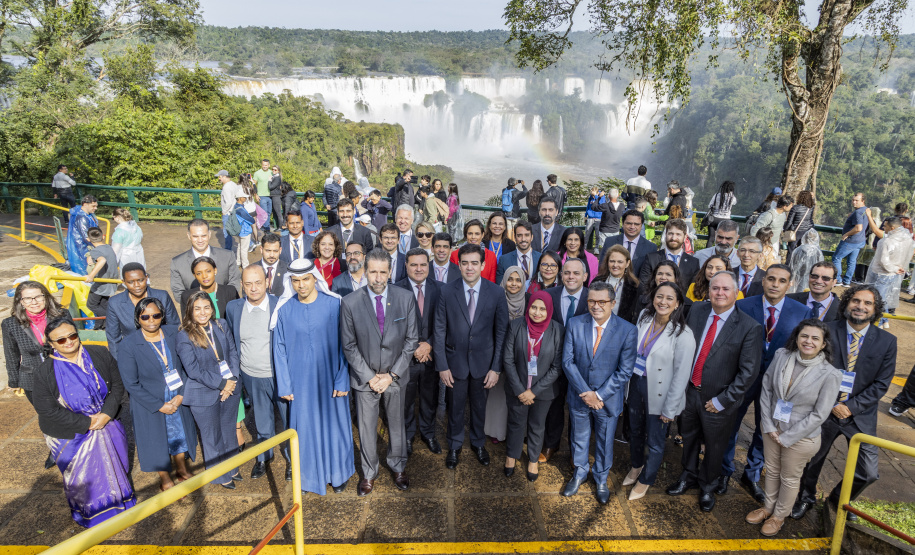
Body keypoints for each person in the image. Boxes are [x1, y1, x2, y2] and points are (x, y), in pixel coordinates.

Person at [792, 285, 896, 521]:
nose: (861, 306)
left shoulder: (887, 341)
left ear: (875, 308)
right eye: (856, 301)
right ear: (847, 303)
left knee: (868, 472)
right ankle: (805, 498)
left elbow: (881, 384)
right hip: (823, 409)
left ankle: (838, 500)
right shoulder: (827, 330)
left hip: (859, 415)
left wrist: (850, 407)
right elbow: (812, 368)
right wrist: (830, 404)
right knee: (811, 462)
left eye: (868, 303)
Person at [666, 272, 763, 513]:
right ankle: (688, 475)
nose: (719, 293)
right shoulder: (697, 311)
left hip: (718, 401)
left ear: (736, 293)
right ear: (709, 291)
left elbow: (748, 372)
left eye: (725, 289)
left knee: (714, 446)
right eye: (715, 288)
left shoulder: (749, 327)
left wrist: (723, 401)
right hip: (690, 392)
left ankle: (707, 486)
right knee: (687, 438)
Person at [34, 318, 136, 527]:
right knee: (85, 482)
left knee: (115, 469)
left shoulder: (99, 353)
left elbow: (117, 386)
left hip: (107, 423)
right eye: (61, 340)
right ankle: (94, 515)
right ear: (51, 344)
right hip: (72, 435)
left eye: (72, 336)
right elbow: (46, 410)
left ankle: (121, 504)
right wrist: (87, 422)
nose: (68, 342)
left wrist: (106, 414)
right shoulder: (44, 372)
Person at [723, 265, 810, 501]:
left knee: (766, 430)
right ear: (763, 281)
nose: (775, 284)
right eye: (770, 279)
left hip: (778, 384)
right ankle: (724, 470)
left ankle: (751, 474)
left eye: (781, 280)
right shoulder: (743, 305)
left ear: (789, 284)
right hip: (743, 378)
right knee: (731, 424)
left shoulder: (801, 312)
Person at [747, 319, 842, 536]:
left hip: (801, 437)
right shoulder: (782, 355)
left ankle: (779, 516)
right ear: (797, 338)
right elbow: (767, 389)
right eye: (804, 336)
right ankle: (768, 508)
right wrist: (769, 424)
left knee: (789, 477)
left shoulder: (831, 374)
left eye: (815, 338)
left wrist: (788, 436)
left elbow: (820, 413)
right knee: (771, 470)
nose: (808, 341)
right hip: (772, 427)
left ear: (823, 344)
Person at [273, 258, 355, 494]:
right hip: (300, 382)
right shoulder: (284, 310)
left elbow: (345, 344)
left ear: (315, 278)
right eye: (295, 281)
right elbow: (278, 348)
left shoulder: (334, 304)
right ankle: (311, 478)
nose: (301, 285)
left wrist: (342, 377)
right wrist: (285, 385)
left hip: (331, 378)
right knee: (305, 429)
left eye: (306, 279)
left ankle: (338, 474)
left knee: (335, 427)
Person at [341, 250, 418, 495]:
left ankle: (398, 466)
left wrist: (391, 375)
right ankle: (369, 473)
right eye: (372, 271)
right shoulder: (350, 302)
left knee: (397, 424)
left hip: (395, 377)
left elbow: (411, 340)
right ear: (365, 271)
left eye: (382, 272)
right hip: (366, 379)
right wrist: (370, 377)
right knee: (366, 427)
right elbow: (349, 345)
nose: (377, 277)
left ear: (390, 272)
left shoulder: (405, 298)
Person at [434, 243, 509, 469]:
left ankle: (478, 443)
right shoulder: (446, 291)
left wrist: (496, 368)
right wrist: (442, 366)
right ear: (459, 264)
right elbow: (439, 330)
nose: (469, 268)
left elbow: (501, 331)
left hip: (483, 365)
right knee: (455, 409)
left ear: (483, 265)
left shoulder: (496, 292)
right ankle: (455, 445)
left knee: (479, 408)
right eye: (464, 263)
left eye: (474, 263)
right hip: (454, 363)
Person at [560, 281, 636, 504]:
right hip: (580, 396)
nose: (596, 306)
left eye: (602, 301)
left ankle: (601, 478)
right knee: (579, 438)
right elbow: (568, 361)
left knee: (604, 442)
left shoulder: (627, 330)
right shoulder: (575, 323)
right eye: (592, 300)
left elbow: (625, 371)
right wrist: (586, 393)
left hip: (607, 401)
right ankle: (580, 473)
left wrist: (599, 395)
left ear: (613, 303)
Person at [624, 282, 695, 500]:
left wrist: (670, 408)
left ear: (677, 304)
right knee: (634, 431)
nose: (663, 302)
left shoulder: (683, 334)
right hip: (636, 383)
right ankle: (636, 466)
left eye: (669, 298)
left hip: (661, 393)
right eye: (659, 296)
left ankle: (646, 479)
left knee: (654, 440)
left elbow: (682, 376)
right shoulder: (645, 318)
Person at [117, 298, 197, 491]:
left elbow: (187, 366)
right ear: (138, 318)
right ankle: (164, 476)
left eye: (156, 315)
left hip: (177, 395)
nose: (151, 320)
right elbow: (131, 384)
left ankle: (181, 468)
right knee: (157, 440)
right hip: (150, 401)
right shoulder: (128, 344)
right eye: (145, 316)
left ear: (162, 316)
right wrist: (159, 405)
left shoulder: (174, 333)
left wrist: (181, 395)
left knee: (179, 434)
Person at [225, 265, 290, 481]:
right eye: (248, 284)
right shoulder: (234, 308)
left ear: (267, 283)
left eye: (258, 282)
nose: (253, 288)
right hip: (252, 375)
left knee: (289, 418)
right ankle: (264, 457)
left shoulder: (280, 305)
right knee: (262, 421)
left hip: (280, 376)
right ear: (242, 285)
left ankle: (292, 458)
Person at [175, 291, 242, 489]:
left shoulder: (221, 324)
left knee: (228, 431)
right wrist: (222, 384)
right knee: (212, 436)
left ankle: (232, 467)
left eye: (206, 307)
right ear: (190, 311)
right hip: (203, 393)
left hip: (231, 387)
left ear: (212, 309)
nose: (203, 312)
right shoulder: (184, 335)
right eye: (197, 308)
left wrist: (232, 379)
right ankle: (219, 475)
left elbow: (232, 353)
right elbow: (194, 370)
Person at [503, 291, 563, 481]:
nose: (537, 312)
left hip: (543, 392)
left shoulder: (558, 330)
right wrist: (521, 390)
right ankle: (511, 456)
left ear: (549, 310)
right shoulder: (516, 325)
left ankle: (533, 460)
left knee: (537, 426)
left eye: (542, 309)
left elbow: (556, 367)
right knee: (515, 423)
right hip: (517, 388)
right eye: (534, 307)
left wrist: (534, 392)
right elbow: (508, 359)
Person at [540, 258, 590, 462]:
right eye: (567, 272)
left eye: (576, 273)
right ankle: (551, 444)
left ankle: (575, 452)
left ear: (585, 277)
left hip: (582, 364)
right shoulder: (549, 295)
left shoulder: (591, 299)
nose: (571, 277)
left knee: (579, 410)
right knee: (554, 405)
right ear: (561, 275)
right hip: (553, 362)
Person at [396, 248, 443, 455]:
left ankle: (428, 433)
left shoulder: (441, 289)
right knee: (406, 400)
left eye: (423, 264)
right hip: (406, 358)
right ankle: (407, 436)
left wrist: (429, 344)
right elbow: (394, 327)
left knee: (429, 398)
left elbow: (443, 324)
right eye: (414, 264)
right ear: (406, 265)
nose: (419, 268)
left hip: (431, 356)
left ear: (429, 265)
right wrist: (414, 347)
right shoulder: (396, 290)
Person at [3, 282, 68, 408]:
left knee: (72, 413)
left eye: (38, 297)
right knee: (48, 416)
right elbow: (11, 354)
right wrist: (14, 381)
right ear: (21, 301)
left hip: (64, 374)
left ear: (46, 297)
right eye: (27, 298)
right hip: (32, 379)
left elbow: (76, 343)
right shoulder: (10, 324)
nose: (34, 302)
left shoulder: (61, 315)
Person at [484, 266, 527, 444]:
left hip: (521, 357)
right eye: (510, 279)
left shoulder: (530, 301)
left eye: (518, 280)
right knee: (498, 395)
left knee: (520, 396)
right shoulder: (495, 298)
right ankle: (496, 431)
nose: (514, 284)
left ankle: (517, 434)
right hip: (498, 354)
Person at [106, 263, 180, 359]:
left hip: (164, 352)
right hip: (134, 356)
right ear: (123, 282)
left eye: (140, 280)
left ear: (146, 277)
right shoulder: (115, 303)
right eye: (130, 282)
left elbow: (175, 327)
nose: (137, 285)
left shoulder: (162, 296)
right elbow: (113, 338)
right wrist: (120, 362)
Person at [170, 219, 241, 303]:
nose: (200, 240)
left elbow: (234, 283)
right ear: (189, 236)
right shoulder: (177, 263)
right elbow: (179, 294)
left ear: (209, 235)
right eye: (195, 236)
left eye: (203, 236)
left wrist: (220, 304)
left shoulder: (227, 256)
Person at [864, 216, 914, 326]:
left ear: (891, 228)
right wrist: (900, 268)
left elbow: (883, 261)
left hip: (883, 273)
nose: (883, 227)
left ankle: (880, 321)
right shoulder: (907, 239)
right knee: (884, 297)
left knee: (878, 298)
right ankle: (885, 320)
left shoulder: (885, 241)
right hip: (895, 273)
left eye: (885, 226)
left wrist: (895, 268)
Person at [638, 219, 700, 294]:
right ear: (665, 235)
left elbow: (693, 291)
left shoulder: (693, 262)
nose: (673, 238)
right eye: (670, 234)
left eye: (678, 234)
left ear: (685, 237)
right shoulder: (651, 258)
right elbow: (644, 287)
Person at [600, 210, 657, 278]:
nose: (632, 227)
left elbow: (650, 274)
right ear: (623, 224)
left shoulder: (651, 247)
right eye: (629, 223)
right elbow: (602, 266)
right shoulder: (610, 242)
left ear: (641, 226)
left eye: (636, 224)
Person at [82, 227, 119, 328]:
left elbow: (102, 260)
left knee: (91, 305)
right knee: (103, 304)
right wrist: (90, 256)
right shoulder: (108, 247)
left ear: (88, 239)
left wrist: (91, 276)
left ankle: (110, 318)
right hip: (111, 281)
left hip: (101, 283)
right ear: (102, 236)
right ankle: (100, 326)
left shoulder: (96, 251)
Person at [594, 244, 640, 323]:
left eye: (620, 262)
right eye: (612, 261)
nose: (615, 265)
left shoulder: (634, 286)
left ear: (627, 263)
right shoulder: (597, 282)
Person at [831, 193, 868, 286]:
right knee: (852, 261)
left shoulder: (858, 212)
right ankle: (847, 281)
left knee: (836, 258)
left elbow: (858, 228)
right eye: (853, 200)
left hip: (851, 240)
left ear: (863, 201)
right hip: (860, 240)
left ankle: (838, 280)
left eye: (857, 200)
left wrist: (846, 234)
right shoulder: (866, 210)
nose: (854, 202)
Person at [497, 220, 540, 288]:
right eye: (519, 235)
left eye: (527, 235)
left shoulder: (540, 258)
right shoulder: (504, 260)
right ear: (515, 237)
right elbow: (500, 286)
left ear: (532, 237)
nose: (523, 239)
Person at [66, 195, 99, 275]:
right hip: (83, 247)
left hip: (84, 245)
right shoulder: (82, 217)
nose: (95, 208)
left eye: (96, 206)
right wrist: (99, 246)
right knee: (85, 269)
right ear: (85, 204)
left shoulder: (86, 214)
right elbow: (86, 237)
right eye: (93, 206)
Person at [783, 191, 816, 261]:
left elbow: (789, 222)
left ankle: (788, 268)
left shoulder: (795, 208)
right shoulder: (811, 207)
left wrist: (785, 230)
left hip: (796, 232)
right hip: (806, 231)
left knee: (791, 251)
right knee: (803, 251)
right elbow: (810, 219)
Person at [230, 188, 256, 268]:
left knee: (240, 246)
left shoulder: (235, 206)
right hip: (245, 231)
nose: (245, 198)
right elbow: (250, 219)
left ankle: (238, 261)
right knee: (244, 249)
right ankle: (245, 264)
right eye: (244, 197)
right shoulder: (241, 209)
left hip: (239, 230)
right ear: (240, 198)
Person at [217, 170, 239, 251]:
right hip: (234, 210)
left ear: (224, 176)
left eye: (220, 177)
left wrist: (224, 211)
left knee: (227, 231)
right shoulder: (233, 184)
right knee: (236, 229)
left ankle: (227, 249)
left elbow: (228, 202)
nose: (219, 179)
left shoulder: (226, 187)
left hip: (228, 212)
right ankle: (250, 243)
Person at [252, 159, 273, 232]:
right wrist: (255, 195)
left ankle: (265, 226)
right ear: (261, 165)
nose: (264, 166)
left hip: (271, 196)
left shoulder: (271, 172)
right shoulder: (257, 173)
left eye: (266, 165)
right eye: (263, 165)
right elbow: (253, 185)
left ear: (269, 165)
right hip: (262, 196)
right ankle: (267, 228)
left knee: (269, 212)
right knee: (265, 212)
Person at [584, 186, 606, 251]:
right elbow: (588, 206)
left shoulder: (602, 197)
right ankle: (584, 247)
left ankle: (596, 248)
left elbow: (601, 204)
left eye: (592, 192)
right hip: (590, 217)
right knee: (587, 232)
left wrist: (596, 196)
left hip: (598, 217)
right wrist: (586, 215)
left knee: (597, 234)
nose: (591, 194)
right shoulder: (590, 197)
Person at [268, 164, 284, 229]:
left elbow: (270, 187)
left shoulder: (277, 178)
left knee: (278, 212)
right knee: (275, 212)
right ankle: (278, 226)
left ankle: (280, 227)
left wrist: (269, 180)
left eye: (275, 170)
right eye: (273, 169)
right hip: (274, 196)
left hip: (276, 196)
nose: (274, 171)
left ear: (278, 171)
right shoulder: (274, 177)